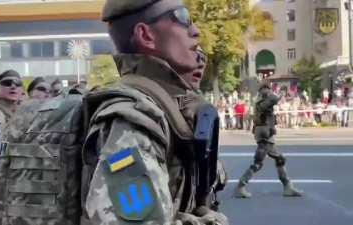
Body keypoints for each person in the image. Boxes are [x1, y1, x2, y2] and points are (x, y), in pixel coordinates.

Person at [82, 0, 228, 224]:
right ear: (146, 35)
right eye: (182, 17)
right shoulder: (132, 120)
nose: (196, 31)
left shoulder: (166, 107)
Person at [234, 80, 303, 198]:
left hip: (264, 132)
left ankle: (287, 186)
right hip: (265, 133)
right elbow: (273, 100)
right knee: (258, 162)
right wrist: (282, 93)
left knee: (279, 159)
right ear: (267, 87)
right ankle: (241, 186)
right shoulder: (266, 96)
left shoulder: (259, 97)